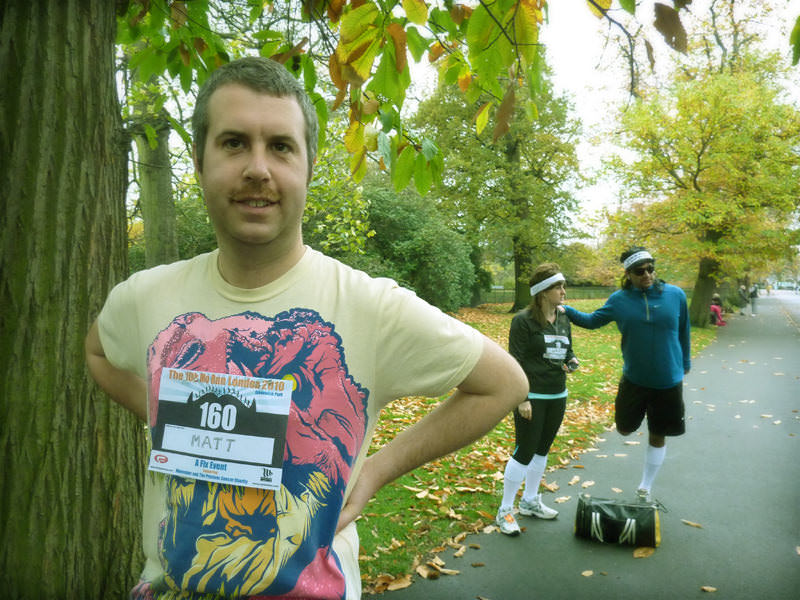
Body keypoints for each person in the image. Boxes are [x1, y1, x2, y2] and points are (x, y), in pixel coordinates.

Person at [84, 57, 527, 600]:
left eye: (280, 146)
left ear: (309, 167)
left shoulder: (370, 306)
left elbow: (504, 383)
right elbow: (99, 353)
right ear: (198, 161)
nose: (257, 168)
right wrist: (158, 409)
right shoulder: (144, 298)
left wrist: (374, 473)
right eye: (233, 143)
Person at [562, 247, 690, 502]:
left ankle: (645, 486)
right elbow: (592, 320)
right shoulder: (619, 300)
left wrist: (685, 362)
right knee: (624, 428)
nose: (647, 275)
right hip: (635, 380)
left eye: (650, 268)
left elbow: (684, 330)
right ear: (628, 274)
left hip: (668, 381)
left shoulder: (676, 295)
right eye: (640, 271)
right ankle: (636, 424)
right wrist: (565, 309)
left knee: (658, 433)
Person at [495, 264, 580, 536]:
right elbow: (514, 362)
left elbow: (567, 349)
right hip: (532, 397)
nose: (563, 291)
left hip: (558, 394)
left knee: (542, 451)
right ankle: (505, 510)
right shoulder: (522, 321)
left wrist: (571, 360)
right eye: (558, 287)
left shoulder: (563, 318)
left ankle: (530, 501)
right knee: (525, 450)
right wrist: (522, 398)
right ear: (543, 293)